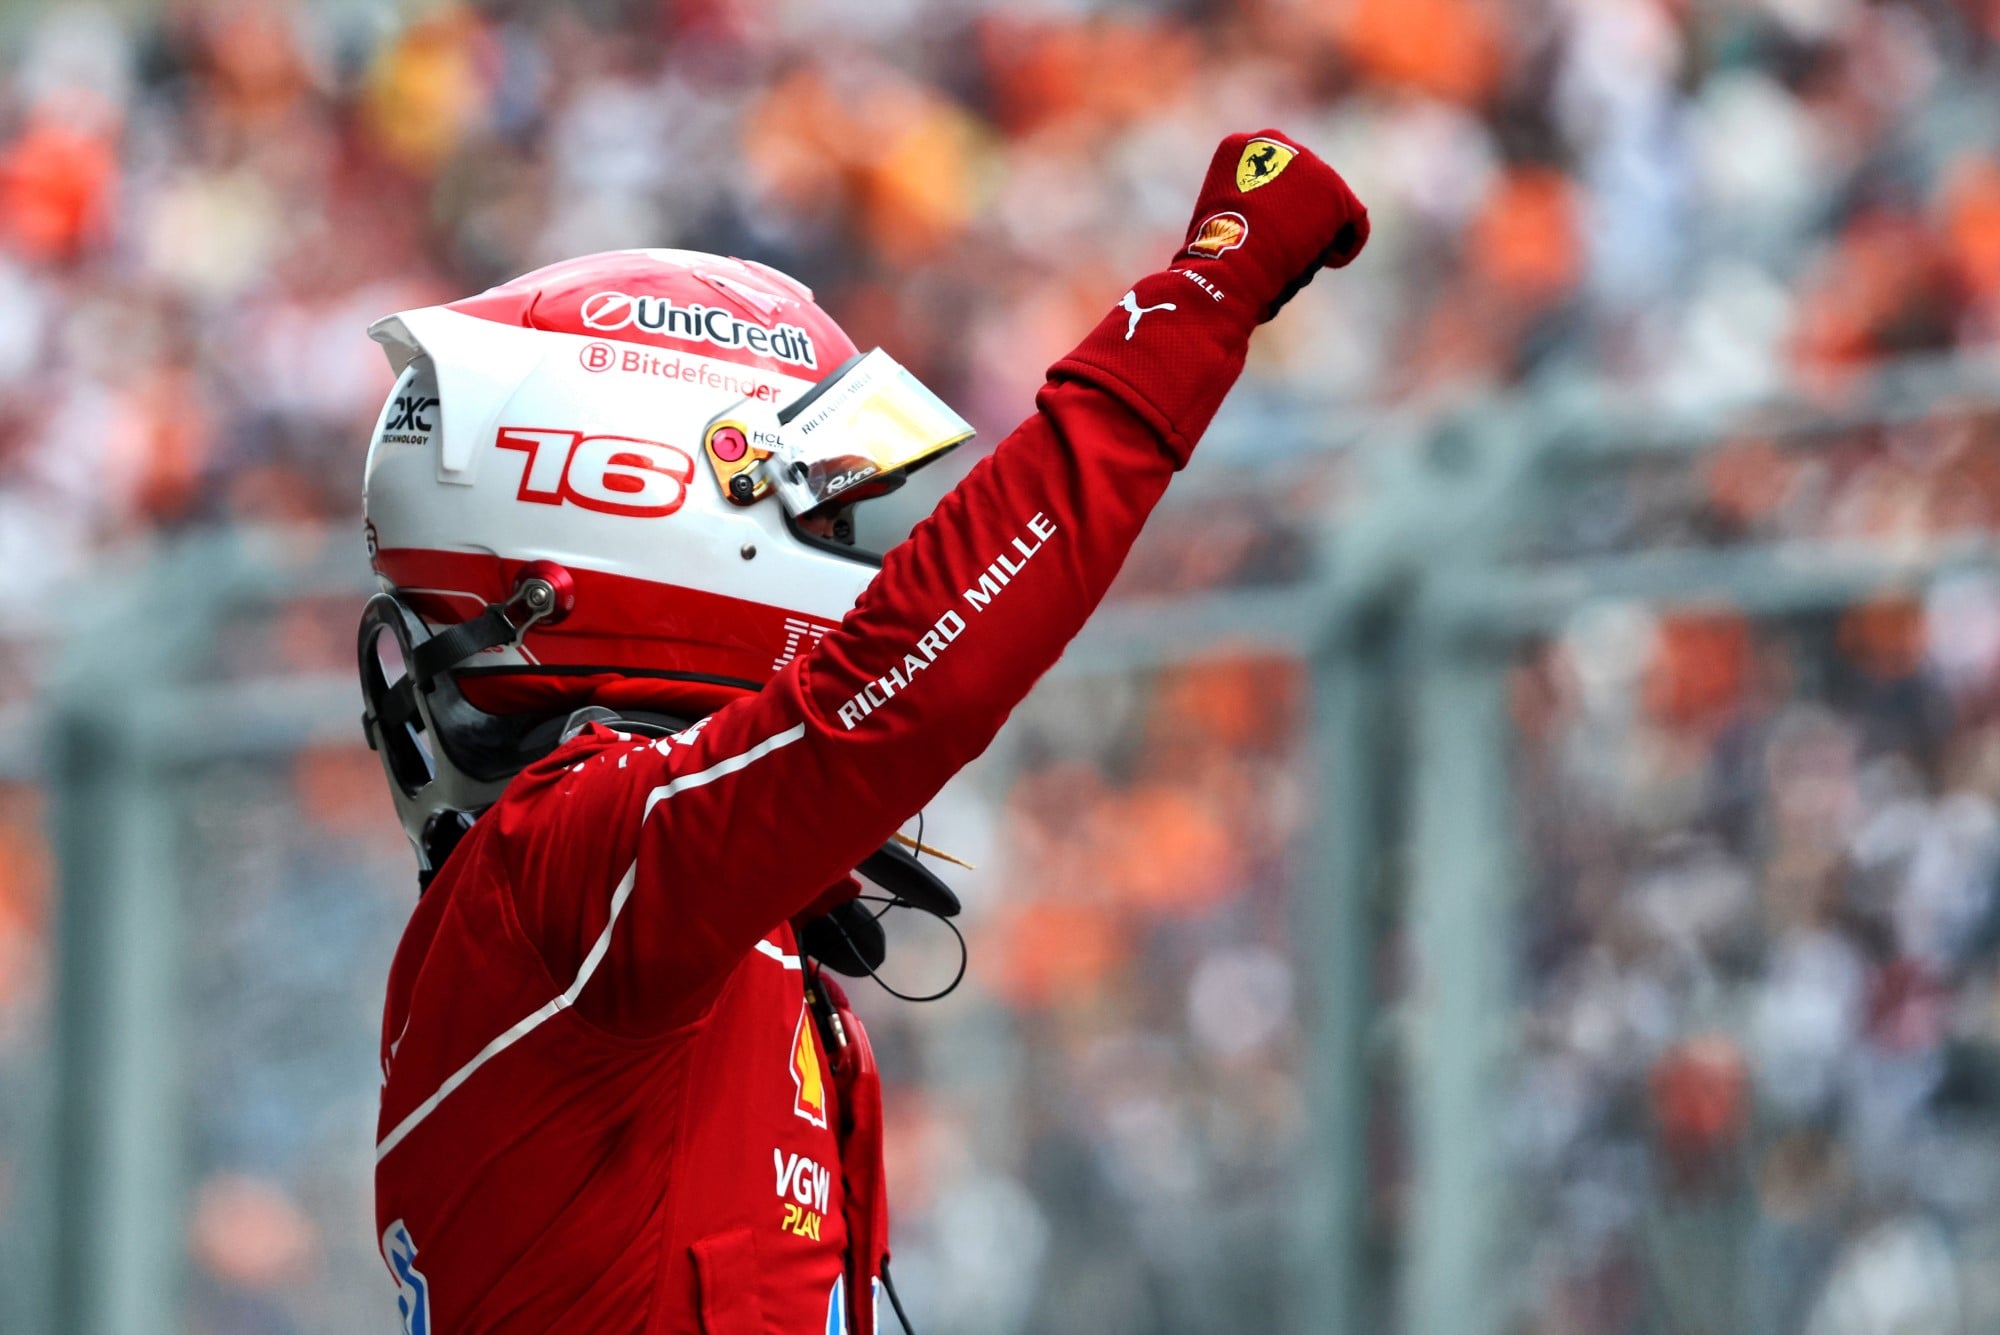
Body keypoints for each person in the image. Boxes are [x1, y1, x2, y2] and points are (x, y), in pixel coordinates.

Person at [357, 130, 1368, 1334]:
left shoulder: (658, 915)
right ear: (629, 492)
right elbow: (905, 682)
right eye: (823, 503)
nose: (862, 548)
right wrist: (1202, 297)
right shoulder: (560, 867)